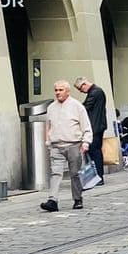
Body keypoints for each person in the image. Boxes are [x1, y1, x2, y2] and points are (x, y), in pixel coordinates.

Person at [41, 79, 93, 213]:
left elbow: (86, 126)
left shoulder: (77, 106)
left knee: (75, 174)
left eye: (61, 90)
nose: (58, 93)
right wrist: (48, 141)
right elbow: (49, 126)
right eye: (56, 90)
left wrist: (86, 142)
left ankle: (77, 199)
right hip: (56, 145)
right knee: (55, 173)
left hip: (73, 144)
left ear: (67, 91)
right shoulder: (51, 107)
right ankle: (52, 200)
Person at [76, 76, 108, 185]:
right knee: (95, 152)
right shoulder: (96, 92)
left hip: (95, 127)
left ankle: (98, 176)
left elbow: (85, 107)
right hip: (98, 126)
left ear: (84, 84)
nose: (81, 91)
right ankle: (97, 176)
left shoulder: (95, 92)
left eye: (80, 89)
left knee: (95, 152)